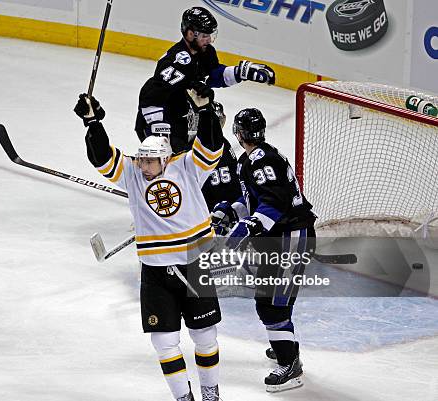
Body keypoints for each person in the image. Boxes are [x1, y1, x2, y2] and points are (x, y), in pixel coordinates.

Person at [75, 89, 224, 401]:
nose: (144, 166)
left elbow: (211, 145)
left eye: (151, 161)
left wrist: (207, 110)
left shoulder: (186, 167)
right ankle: (184, 398)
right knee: (164, 342)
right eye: (142, 160)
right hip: (156, 273)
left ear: (166, 158)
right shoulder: (132, 174)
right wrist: (93, 123)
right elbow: (102, 157)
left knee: (205, 336)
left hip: (194, 264)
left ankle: (211, 393)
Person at [214, 108, 316, 392]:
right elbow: (251, 200)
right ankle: (286, 346)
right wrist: (228, 212)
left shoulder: (261, 161)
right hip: (281, 238)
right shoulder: (251, 159)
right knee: (274, 301)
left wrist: (250, 227)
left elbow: (274, 201)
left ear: (238, 132)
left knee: (271, 305)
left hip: (291, 238)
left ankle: (289, 365)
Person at [136, 6, 276, 152]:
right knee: (171, 168)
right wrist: (158, 129)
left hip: (183, 118)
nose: (209, 40)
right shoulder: (175, 61)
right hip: (160, 121)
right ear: (190, 34)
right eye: (204, 35)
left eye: (210, 35)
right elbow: (151, 95)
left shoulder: (206, 52)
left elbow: (215, 75)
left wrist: (241, 72)